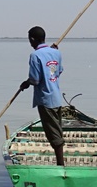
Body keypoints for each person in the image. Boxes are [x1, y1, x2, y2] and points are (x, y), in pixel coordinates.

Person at [19, 26, 65, 166]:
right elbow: (58, 71)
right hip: (57, 98)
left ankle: (60, 165)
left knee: (54, 135)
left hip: (46, 100)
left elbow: (35, 80)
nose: (30, 43)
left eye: (30, 40)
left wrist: (26, 83)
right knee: (57, 130)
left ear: (33, 39)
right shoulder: (56, 53)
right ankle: (60, 162)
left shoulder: (35, 56)